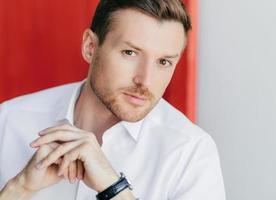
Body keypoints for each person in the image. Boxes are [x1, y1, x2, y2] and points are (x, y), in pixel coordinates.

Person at [0, 0, 226, 199]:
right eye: (130, 53)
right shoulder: (8, 121)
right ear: (90, 47)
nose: (145, 80)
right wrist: (20, 188)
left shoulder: (190, 152)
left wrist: (114, 189)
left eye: (164, 62)